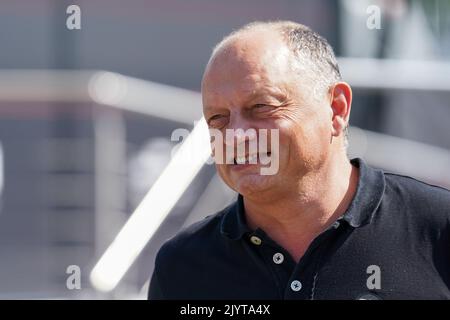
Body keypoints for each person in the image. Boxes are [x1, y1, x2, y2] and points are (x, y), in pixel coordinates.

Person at [148, 21, 450, 300]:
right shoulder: (181, 267)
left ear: (336, 109)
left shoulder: (438, 230)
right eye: (217, 118)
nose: (236, 135)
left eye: (261, 107)